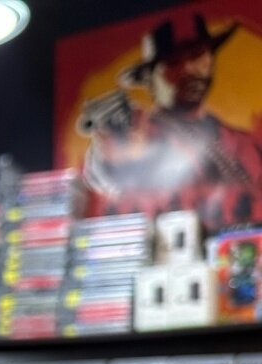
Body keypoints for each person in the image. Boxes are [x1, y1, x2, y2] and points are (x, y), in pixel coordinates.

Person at [78, 13, 262, 229]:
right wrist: (115, 160)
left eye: (197, 55)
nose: (190, 70)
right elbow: (103, 176)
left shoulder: (244, 142)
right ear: (149, 79)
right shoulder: (141, 133)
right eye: (173, 62)